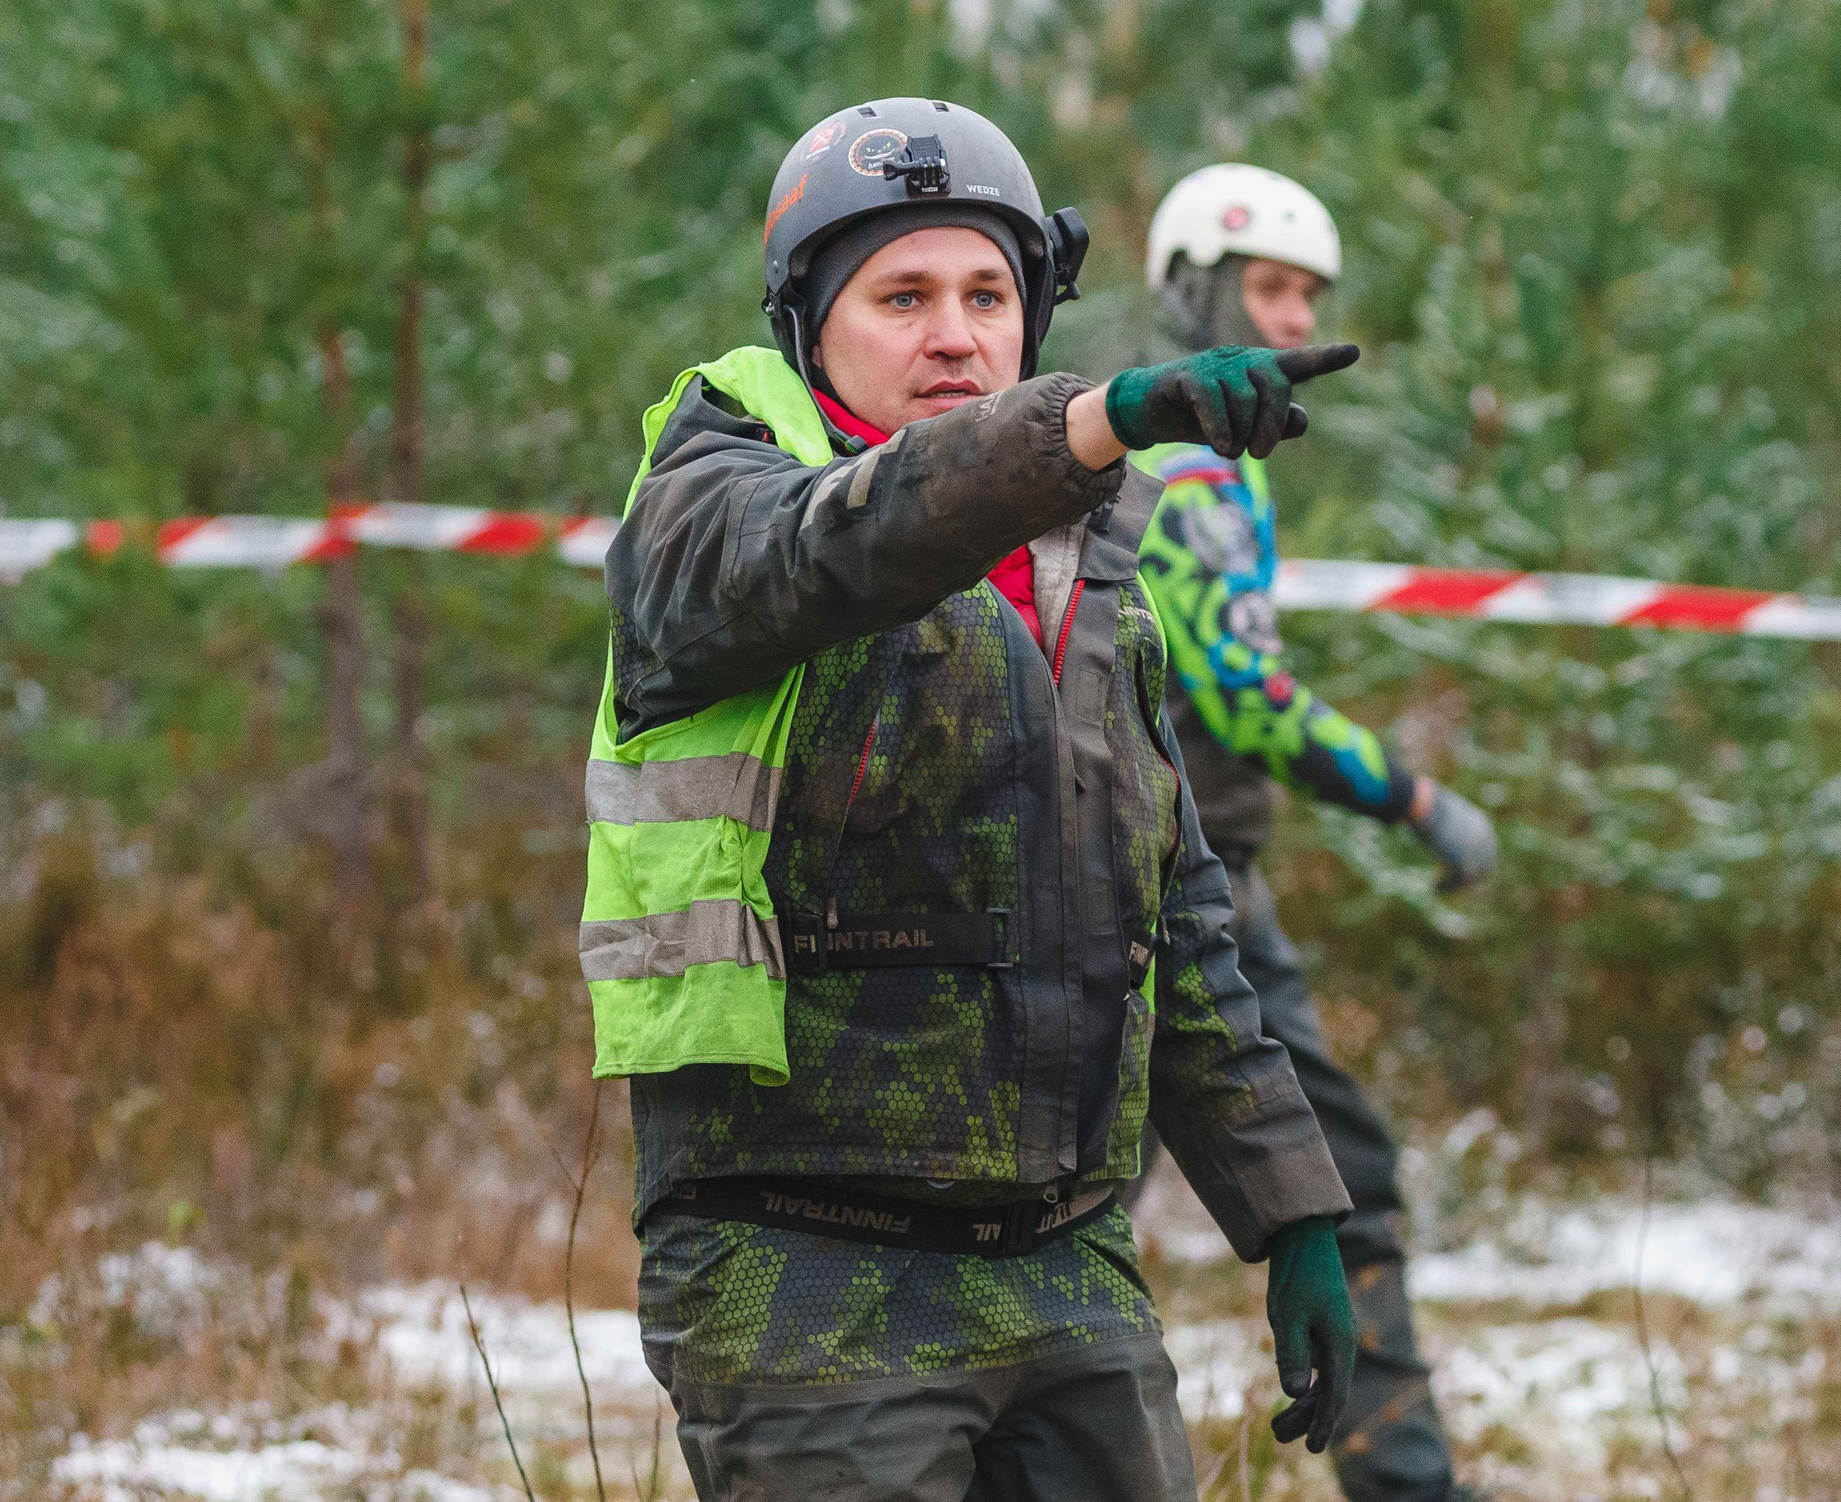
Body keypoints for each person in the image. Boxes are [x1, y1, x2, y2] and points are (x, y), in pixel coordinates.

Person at [583, 100, 1366, 1500]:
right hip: (801, 1273)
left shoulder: (1093, 571)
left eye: (988, 295)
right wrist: (1094, 420)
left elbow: (1174, 916)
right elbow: (855, 539)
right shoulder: (711, 506)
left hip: (1067, 1270)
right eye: (903, 297)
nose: (954, 335)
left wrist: (1292, 1212)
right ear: (809, 323)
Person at [1125, 164, 1500, 1502]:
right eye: (1270, 289)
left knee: (1082, 1206)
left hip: (1171, 866)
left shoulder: (1168, 456)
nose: (1293, 321)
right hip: (1178, 882)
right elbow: (1245, 698)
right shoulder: (1188, 476)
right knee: (1328, 1178)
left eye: (1307, 298)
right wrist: (1412, 797)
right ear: (1196, 295)